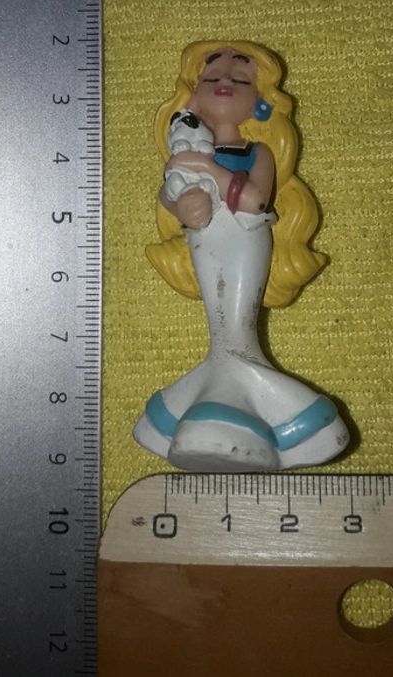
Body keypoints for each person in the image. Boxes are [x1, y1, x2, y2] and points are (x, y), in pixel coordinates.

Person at [134, 40, 350, 470]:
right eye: (212, 78)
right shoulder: (184, 154)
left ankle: (229, 418)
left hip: (245, 237)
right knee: (222, 330)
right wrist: (181, 206)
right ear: (194, 98)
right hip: (204, 239)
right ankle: (268, 420)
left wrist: (208, 169)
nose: (225, 84)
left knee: (236, 327)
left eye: (240, 80)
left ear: (261, 104)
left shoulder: (257, 153)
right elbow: (168, 193)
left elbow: (255, 199)